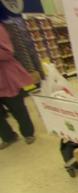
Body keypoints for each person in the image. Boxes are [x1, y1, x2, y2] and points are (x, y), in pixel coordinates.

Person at [0, 21, 35, 149]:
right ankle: (8, 137)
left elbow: (7, 52)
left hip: (6, 77)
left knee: (17, 108)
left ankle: (28, 133)